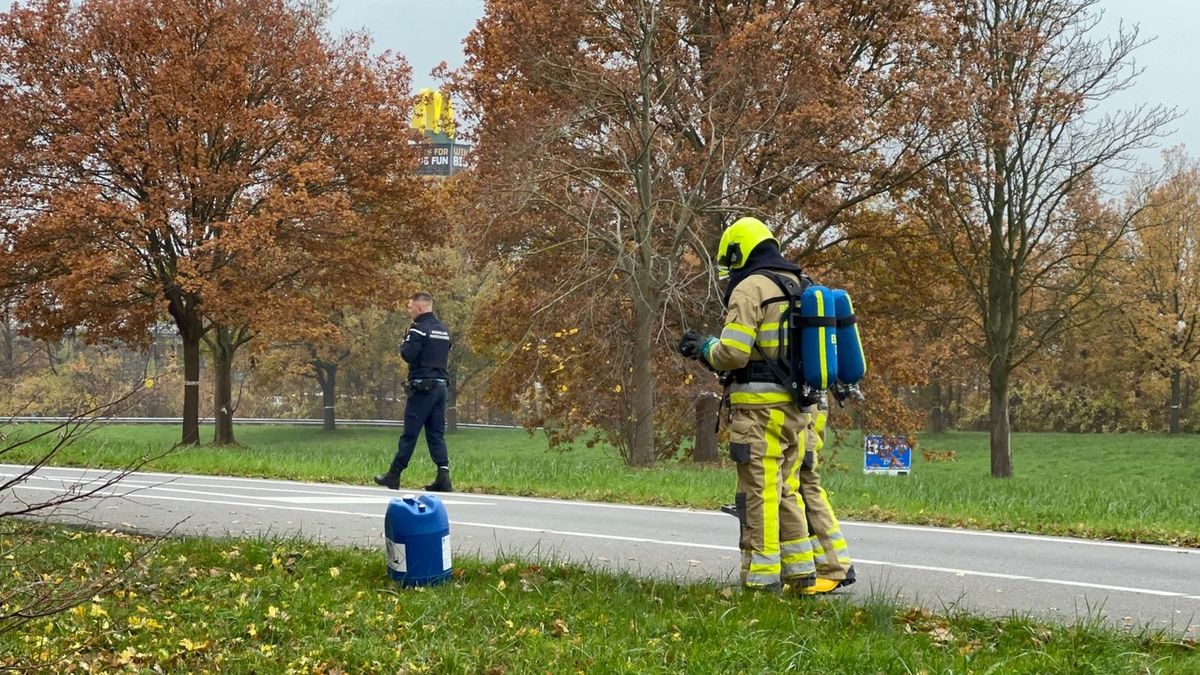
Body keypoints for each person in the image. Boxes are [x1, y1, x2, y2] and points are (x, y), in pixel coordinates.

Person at [677, 217, 816, 592]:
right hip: (798, 411)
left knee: (758, 490)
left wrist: (704, 347)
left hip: (758, 410)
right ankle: (802, 572)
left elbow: (734, 353)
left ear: (739, 252)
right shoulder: (800, 285)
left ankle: (761, 580)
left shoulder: (750, 288)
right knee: (786, 488)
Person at [375, 292, 454, 492]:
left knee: (410, 433)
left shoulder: (418, 329)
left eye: (410, 308)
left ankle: (394, 474)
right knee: (436, 434)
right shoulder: (443, 330)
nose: (409, 311)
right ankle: (443, 475)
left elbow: (408, 354)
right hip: (442, 387)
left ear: (419, 308)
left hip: (423, 387)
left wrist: (404, 343)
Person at [795, 392, 856, 594]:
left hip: (803, 409)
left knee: (804, 487)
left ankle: (834, 567)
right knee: (802, 487)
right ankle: (825, 565)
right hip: (810, 406)